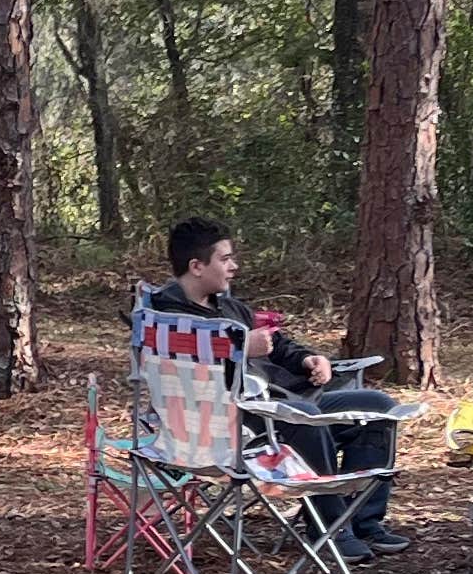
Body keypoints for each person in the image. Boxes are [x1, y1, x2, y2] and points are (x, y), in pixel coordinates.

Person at [143, 214, 408, 556]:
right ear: (197, 266)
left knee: (378, 408)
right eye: (225, 259)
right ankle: (328, 530)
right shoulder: (164, 317)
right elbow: (185, 364)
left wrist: (308, 359)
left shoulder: (230, 305)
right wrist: (237, 348)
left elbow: (276, 343)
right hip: (226, 426)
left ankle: (364, 521)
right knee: (304, 416)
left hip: (276, 406)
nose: (234, 266)